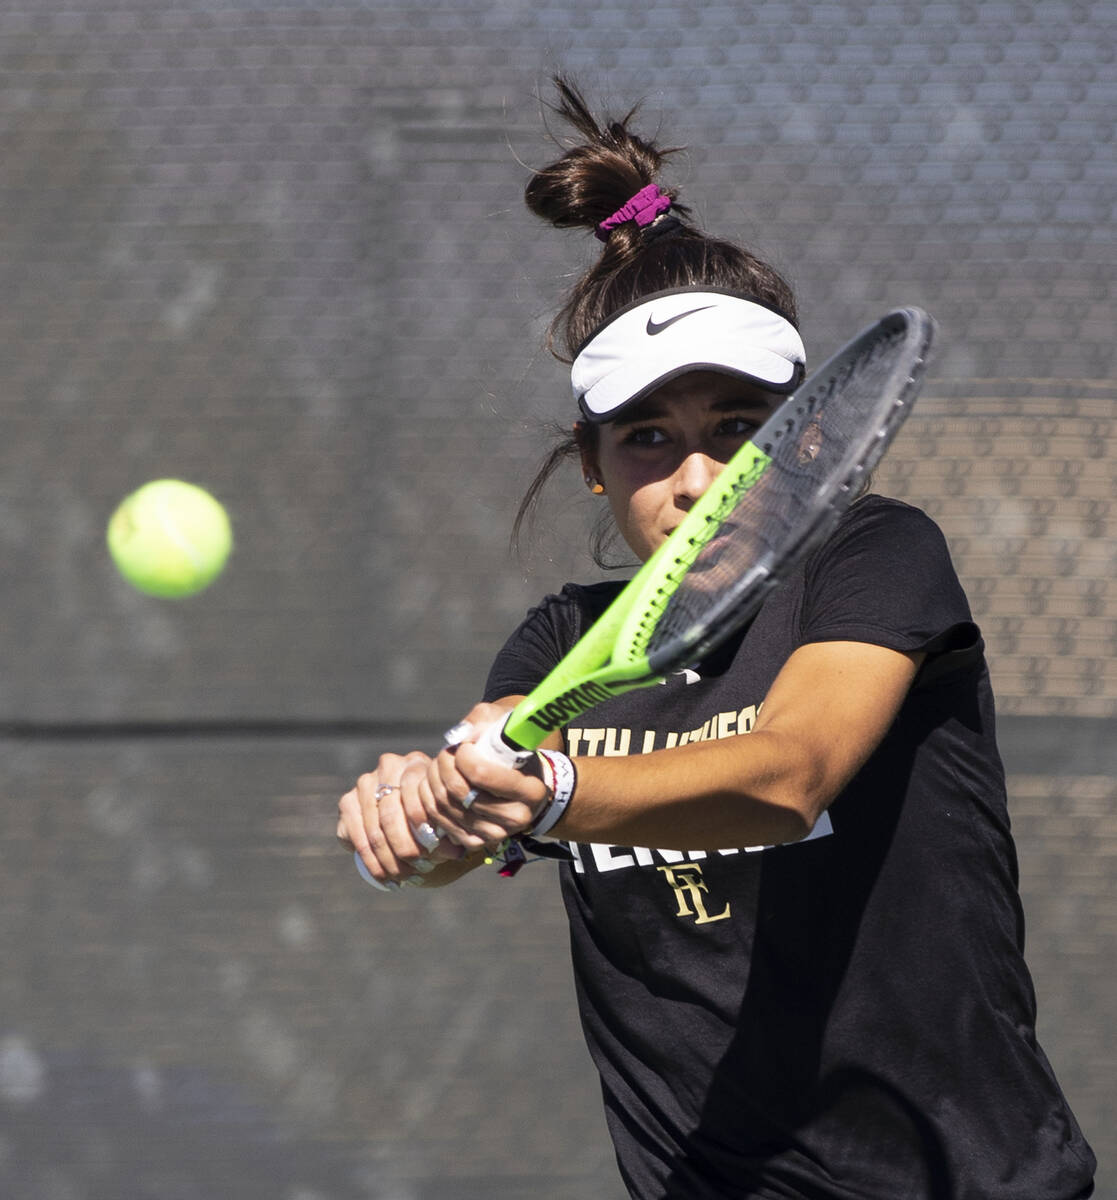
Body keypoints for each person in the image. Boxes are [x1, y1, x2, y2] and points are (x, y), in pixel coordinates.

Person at [336, 79, 1096, 1200]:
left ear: (808, 441)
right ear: (593, 467)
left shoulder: (873, 557)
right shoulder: (556, 640)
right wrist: (416, 815)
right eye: (649, 438)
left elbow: (792, 774)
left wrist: (549, 790)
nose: (696, 479)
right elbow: (477, 804)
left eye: (738, 430)